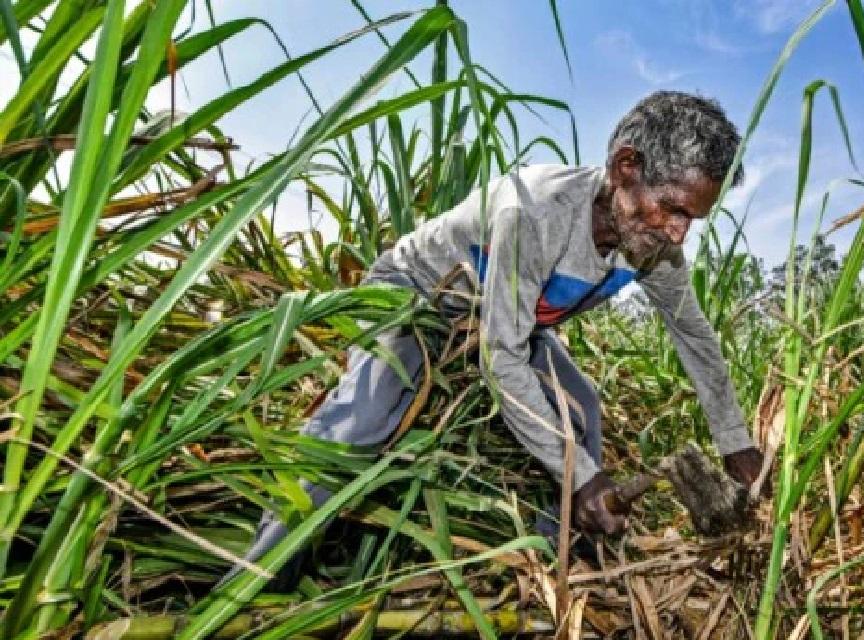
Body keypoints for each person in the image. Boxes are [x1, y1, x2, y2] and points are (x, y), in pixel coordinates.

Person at [223, 91, 766, 590]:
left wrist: (734, 441)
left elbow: (696, 339)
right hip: (419, 296)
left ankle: (559, 568)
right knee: (364, 418)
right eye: (672, 208)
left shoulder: (654, 250)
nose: (678, 234)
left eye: (693, 218)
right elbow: (501, 358)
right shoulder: (535, 214)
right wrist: (581, 474)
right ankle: (260, 577)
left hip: (505, 316)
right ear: (626, 167)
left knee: (584, 414)